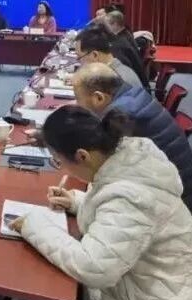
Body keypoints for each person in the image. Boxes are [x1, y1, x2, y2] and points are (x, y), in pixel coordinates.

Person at [0, 105, 192, 300]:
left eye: (59, 161)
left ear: (82, 156)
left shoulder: (132, 197)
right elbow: (123, 217)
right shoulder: (129, 160)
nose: (61, 168)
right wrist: (78, 202)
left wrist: (34, 226)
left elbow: (94, 268)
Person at [72, 62, 192, 210]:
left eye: (78, 98)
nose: (77, 103)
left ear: (99, 98)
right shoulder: (131, 93)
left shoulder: (122, 114)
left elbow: (100, 165)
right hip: (174, 183)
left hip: (175, 200)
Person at [74, 23, 143, 88]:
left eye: (79, 57)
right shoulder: (114, 69)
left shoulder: (114, 80)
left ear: (95, 55)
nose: (80, 63)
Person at [104, 11, 149, 88]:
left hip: (134, 87)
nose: (105, 28)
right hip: (139, 83)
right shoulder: (126, 34)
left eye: (106, 24)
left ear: (115, 24)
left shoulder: (119, 44)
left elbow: (121, 70)